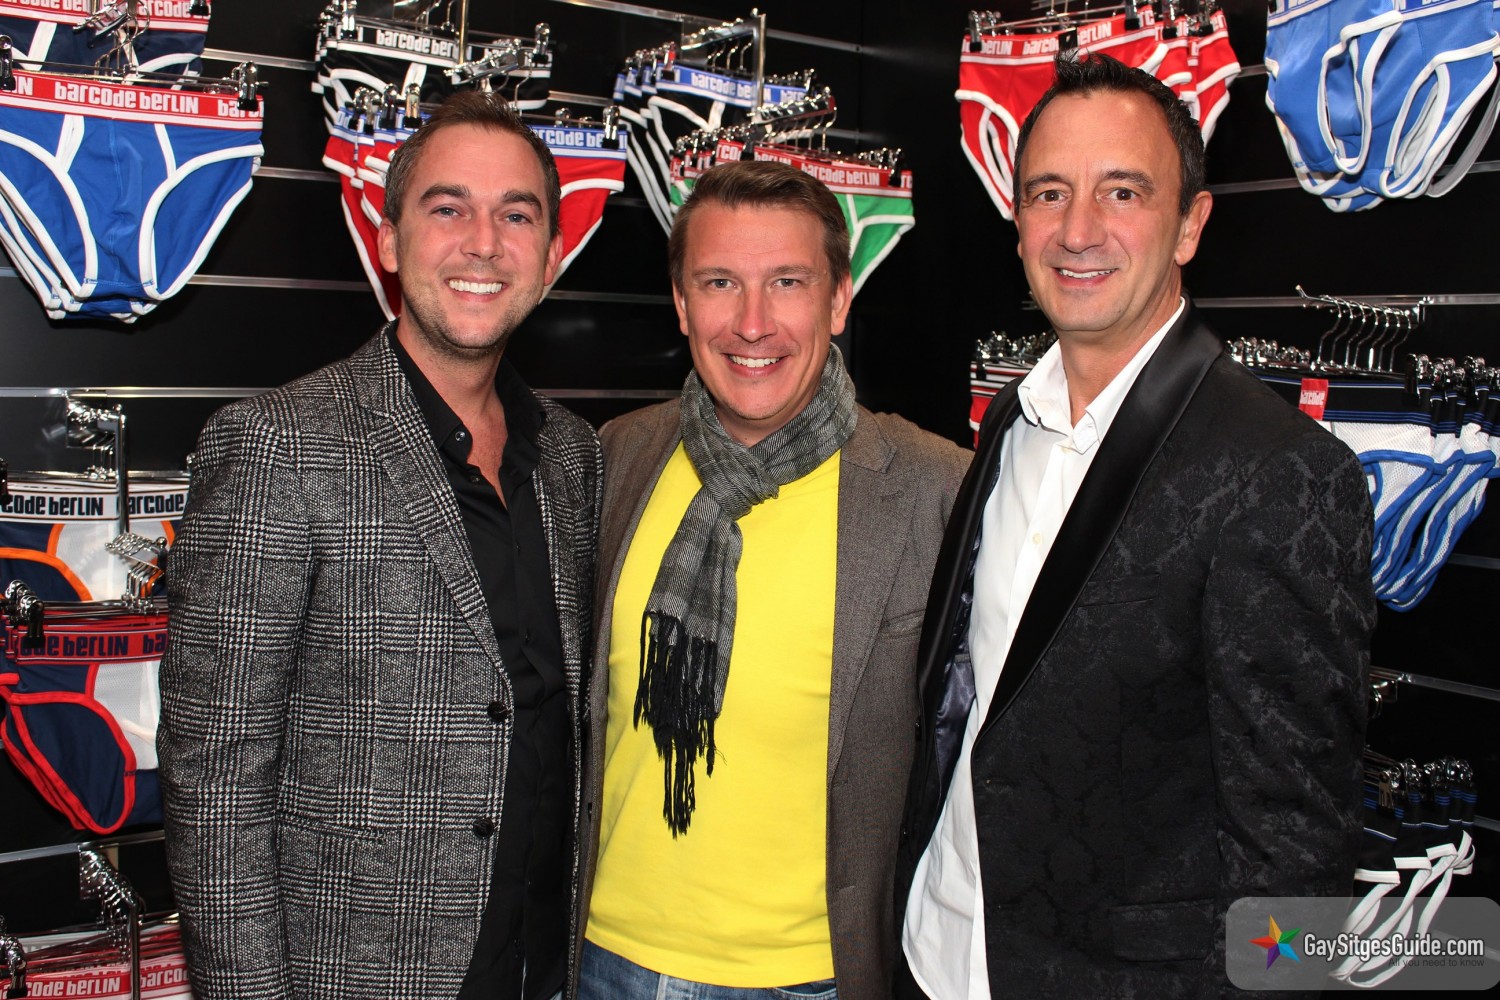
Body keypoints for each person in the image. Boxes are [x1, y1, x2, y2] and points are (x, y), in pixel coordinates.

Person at [897, 53, 1377, 998]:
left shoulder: (1280, 472)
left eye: (1122, 192)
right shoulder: (1010, 421)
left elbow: (1294, 850)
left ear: (1190, 224)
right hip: (932, 953)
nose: (1078, 231)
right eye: (1049, 193)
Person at [157, 91, 603, 1000]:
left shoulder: (572, 454)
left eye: (517, 215)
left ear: (552, 256)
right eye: (448, 209)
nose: (485, 243)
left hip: (546, 969)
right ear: (389, 240)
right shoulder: (280, 444)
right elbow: (216, 782)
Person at [572, 160, 971, 1000]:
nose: (753, 324)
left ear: (838, 300)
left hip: (814, 979)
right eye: (720, 282)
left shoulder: (935, 489)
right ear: (682, 304)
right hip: (604, 961)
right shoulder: (615, 458)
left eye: (787, 282)